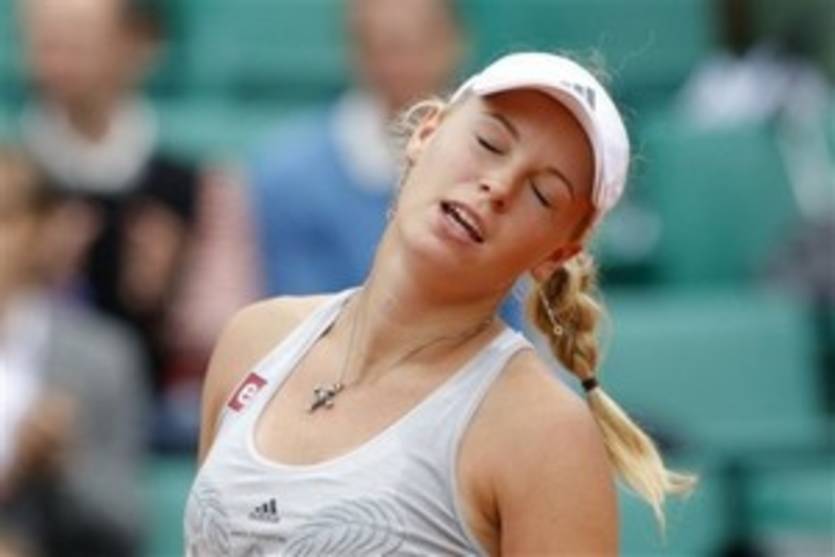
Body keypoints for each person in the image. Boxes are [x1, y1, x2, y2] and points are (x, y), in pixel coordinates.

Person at [187, 53, 696, 555]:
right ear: (426, 132)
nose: (499, 186)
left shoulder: (546, 435)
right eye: (489, 142)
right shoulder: (254, 339)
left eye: (542, 194)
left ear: (557, 254)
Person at [0, 147, 147, 557]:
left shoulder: (103, 357)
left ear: (40, 231)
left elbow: (124, 524)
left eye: (2, 218)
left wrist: (62, 465)